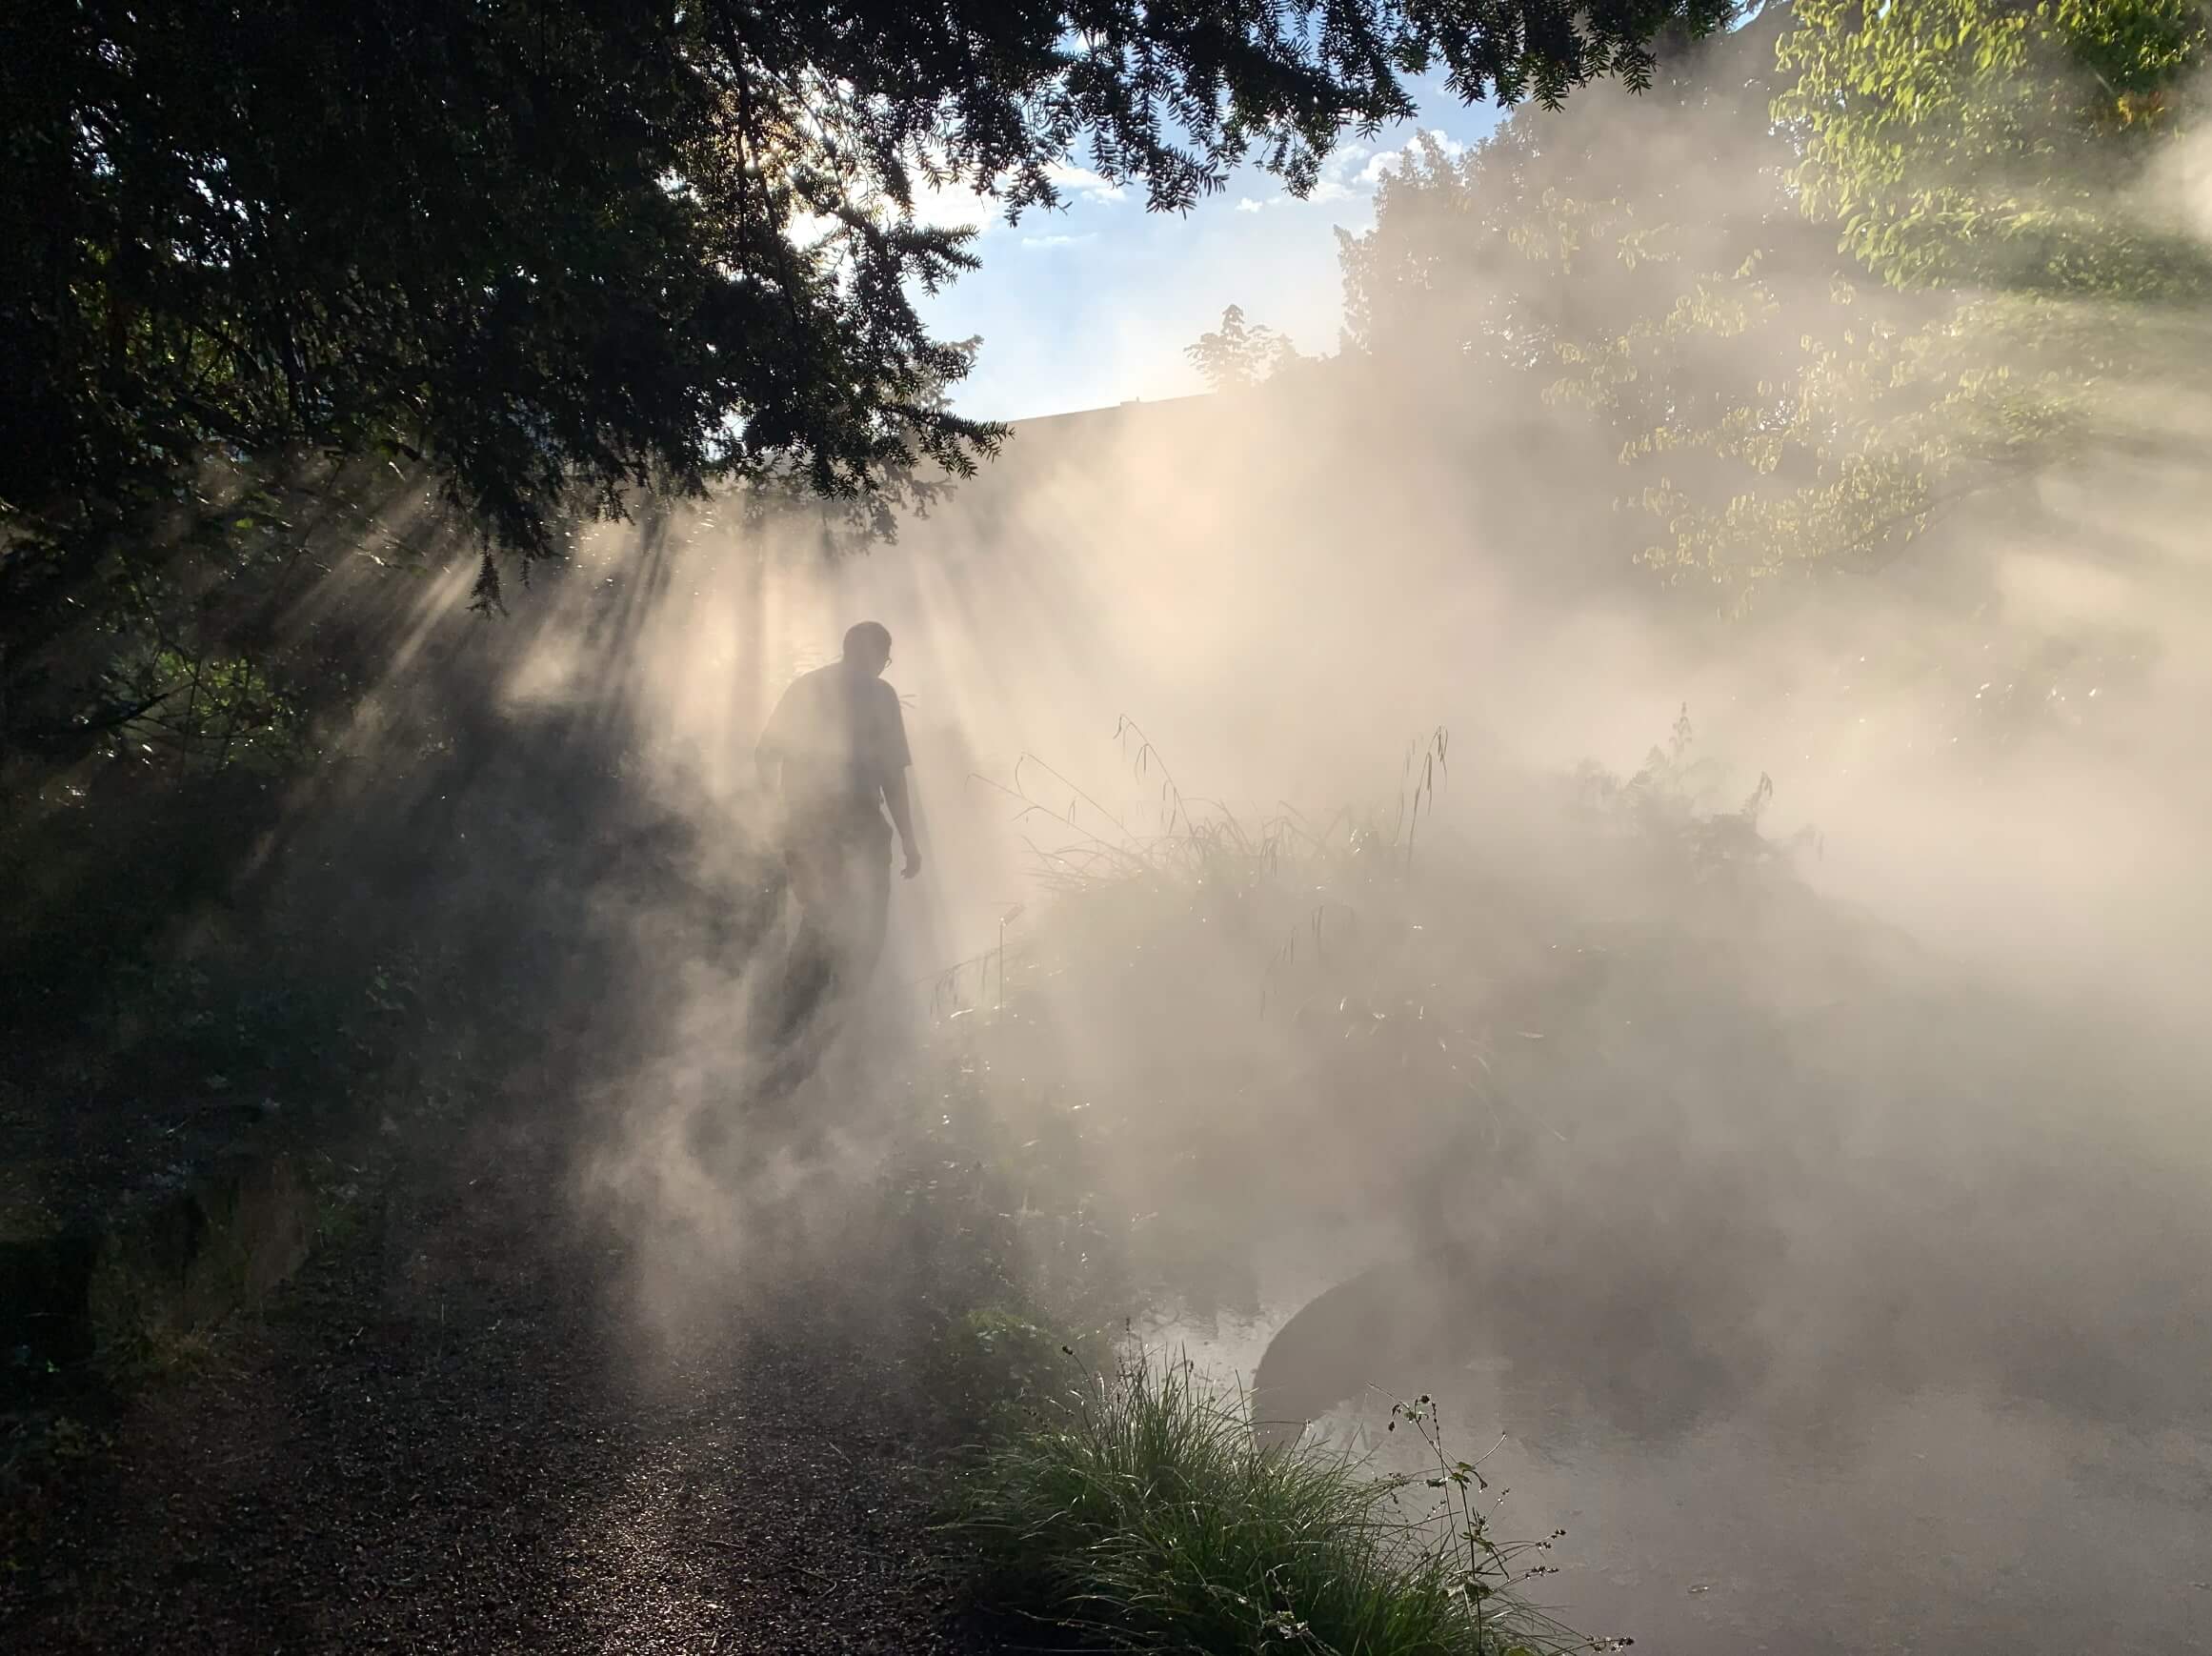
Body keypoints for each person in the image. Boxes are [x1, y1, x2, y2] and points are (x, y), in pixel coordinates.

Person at [754, 621, 921, 1041]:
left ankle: (789, 1030)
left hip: (808, 827)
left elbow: (764, 755)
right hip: (859, 827)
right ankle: (829, 1026)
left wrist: (778, 812)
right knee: (865, 927)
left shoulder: (805, 688)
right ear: (874, 654)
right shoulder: (881, 696)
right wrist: (909, 841)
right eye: (884, 658)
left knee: (821, 920)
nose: (884, 666)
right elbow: (893, 777)